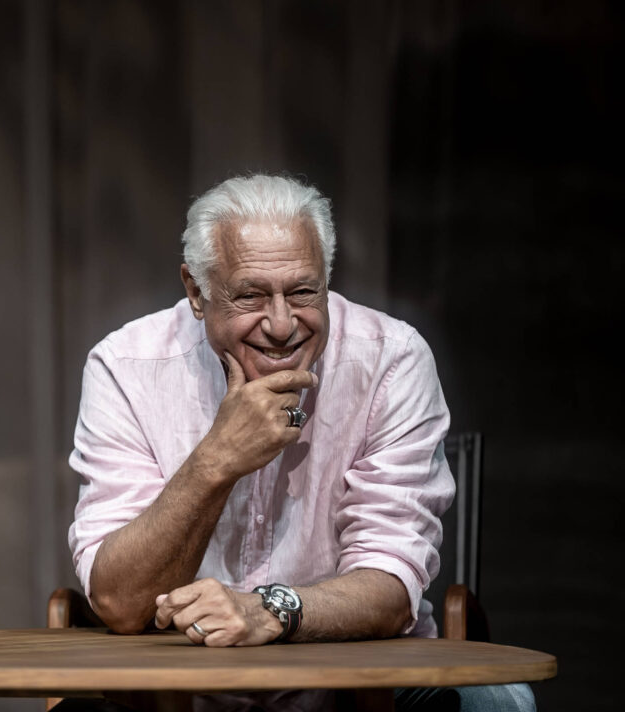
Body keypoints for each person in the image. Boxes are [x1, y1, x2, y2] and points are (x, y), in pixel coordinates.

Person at [66, 174, 535, 711]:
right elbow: (120, 604)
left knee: (498, 700)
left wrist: (269, 611)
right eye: (250, 296)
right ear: (196, 292)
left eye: (304, 292)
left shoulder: (393, 360)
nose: (283, 325)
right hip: (181, 691)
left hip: (356, 687)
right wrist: (217, 459)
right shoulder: (125, 367)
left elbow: (389, 584)